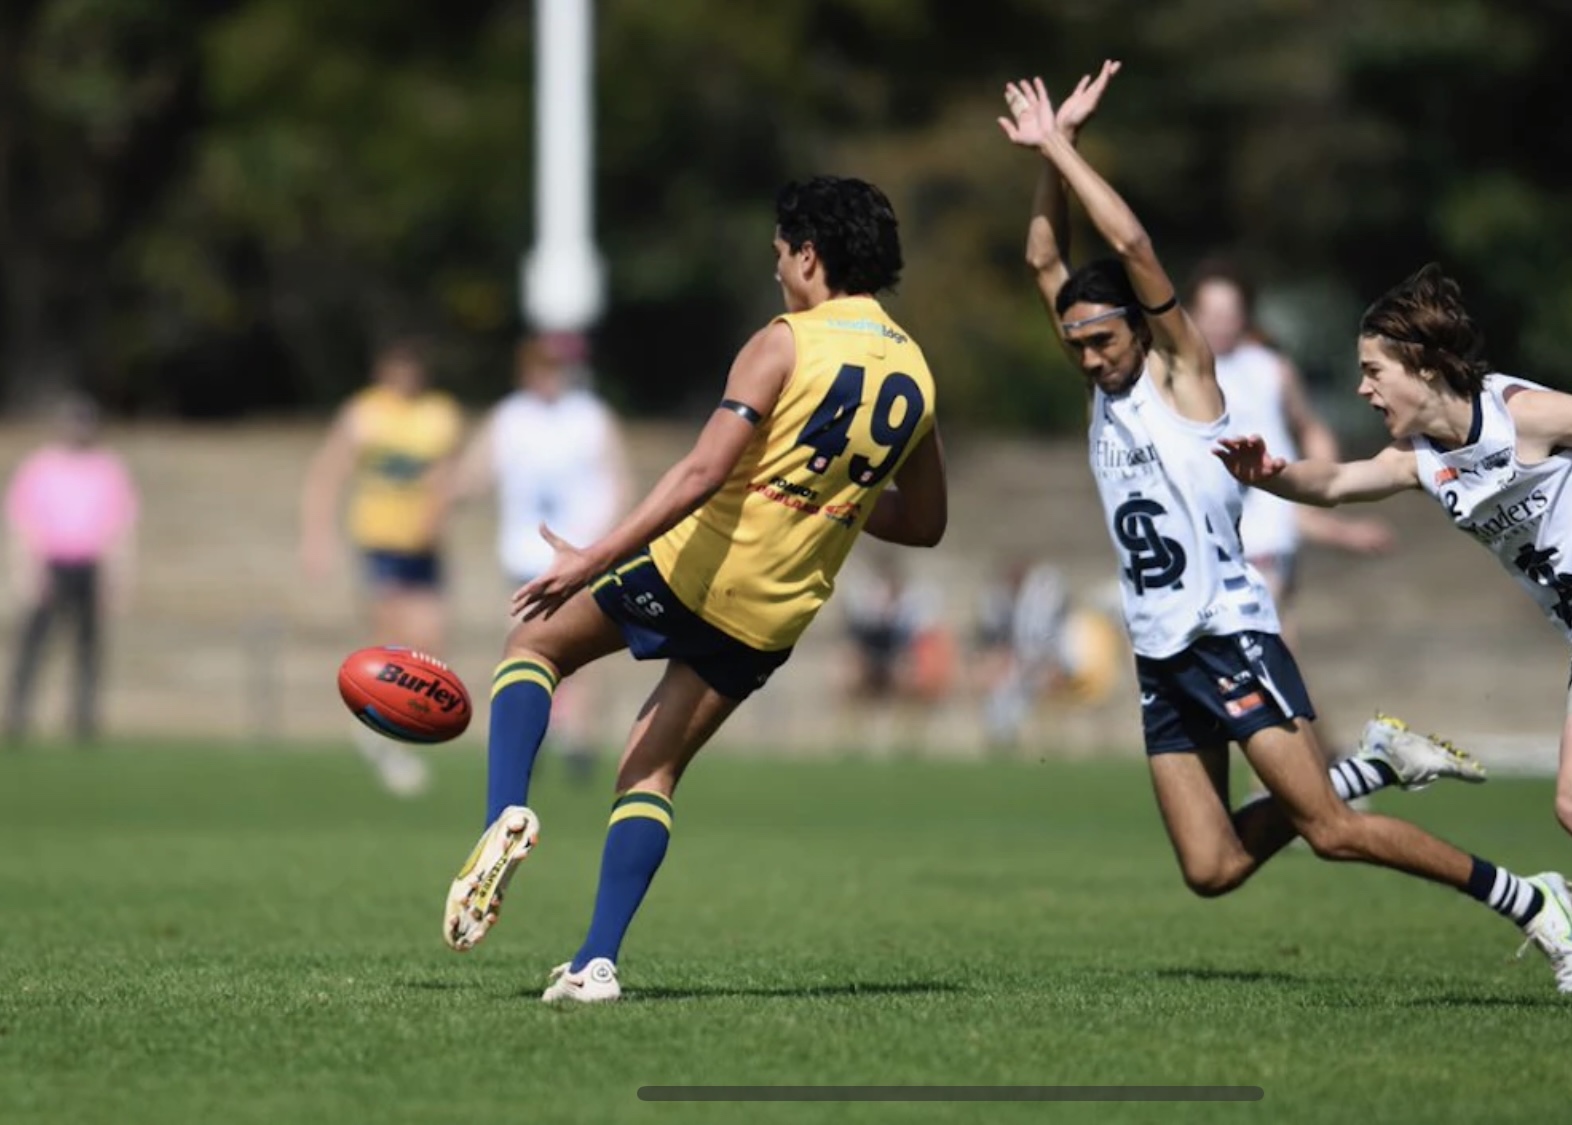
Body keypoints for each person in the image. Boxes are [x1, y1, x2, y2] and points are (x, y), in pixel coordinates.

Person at [999, 65, 1570, 993]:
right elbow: (1041, 262)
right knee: (1212, 868)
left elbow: (1133, 243)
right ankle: (1373, 762)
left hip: (1228, 632)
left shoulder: (1182, 373)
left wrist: (1065, 145)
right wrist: (1045, 166)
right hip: (1161, 651)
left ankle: (1532, 900)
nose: (1089, 356)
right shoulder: (1099, 378)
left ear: (1142, 330)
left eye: (1102, 338)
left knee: (1330, 836)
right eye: (1075, 344)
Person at [440, 175, 947, 1003]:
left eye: (781, 253)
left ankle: (504, 813)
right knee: (650, 774)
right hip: (775, 610)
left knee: (532, 645)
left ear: (809, 255)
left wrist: (593, 558)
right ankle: (596, 963)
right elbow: (924, 522)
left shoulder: (784, 340)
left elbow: (705, 470)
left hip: (696, 566)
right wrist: (832, 500)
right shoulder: (918, 373)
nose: (777, 268)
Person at [1217, 264, 1572, 882]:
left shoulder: (1526, 416)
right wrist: (1268, 476)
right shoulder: (1421, 461)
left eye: (1374, 371)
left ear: (1425, 368)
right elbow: (1333, 482)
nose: (1362, 389)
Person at [446, 331, 631, 782]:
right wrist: (443, 494)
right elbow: (475, 472)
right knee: (523, 646)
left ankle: (577, 738)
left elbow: (618, 481)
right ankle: (536, 732)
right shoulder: (510, 417)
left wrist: (604, 541)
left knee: (577, 652)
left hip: (580, 555)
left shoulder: (590, 418)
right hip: (525, 556)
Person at [1189, 260, 1395, 644]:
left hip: (1267, 541)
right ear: (1191, 315)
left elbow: (1311, 427)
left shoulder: (1271, 369)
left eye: (1229, 313)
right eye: (1210, 313)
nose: (1219, 323)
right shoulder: (1182, 377)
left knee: (1272, 654)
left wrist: (1322, 484)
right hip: (1207, 545)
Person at [300, 337, 463, 796]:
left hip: (425, 546)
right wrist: (317, 536)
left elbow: (448, 475)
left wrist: (442, 508)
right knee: (392, 645)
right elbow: (328, 472)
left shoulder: (440, 414)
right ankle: (387, 739)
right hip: (381, 541)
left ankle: (393, 731)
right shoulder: (365, 413)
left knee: (432, 642)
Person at [4, 394, 138, 743]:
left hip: (90, 564)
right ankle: (18, 714)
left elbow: (120, 526)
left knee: (88, 647)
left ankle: (83, 718)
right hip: (51, 563)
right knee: (34, 645)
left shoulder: (108, 468)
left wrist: (115, 577)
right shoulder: (40, 467)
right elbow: (23, 521)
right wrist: (28, 570)